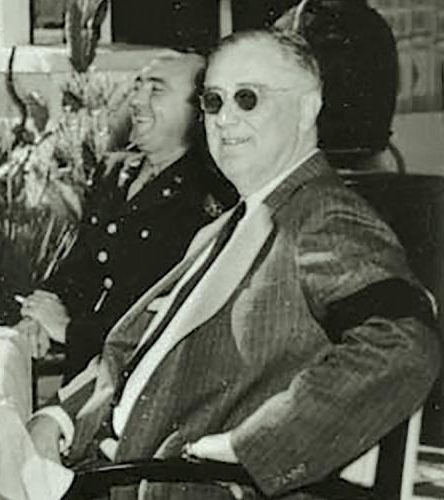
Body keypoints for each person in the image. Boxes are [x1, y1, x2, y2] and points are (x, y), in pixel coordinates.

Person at [25, 30, 439, 499]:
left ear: (307, 109)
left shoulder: (323, 215)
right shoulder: (225, 226)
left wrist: (257, 447)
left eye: (248, 99)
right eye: (213, 101)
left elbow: (405, 341)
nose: (224, 119)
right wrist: (60, 413)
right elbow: (137, 346)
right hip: (106, 466)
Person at [19, 53, 236, 380]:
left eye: (157, 91)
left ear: (198, 110)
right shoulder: (114, 170)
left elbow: (172, 323)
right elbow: (82, 266)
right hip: (86, 374)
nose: (137, 101)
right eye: (138, 87)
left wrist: (70, 332)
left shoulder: (210, 199)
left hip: (140, 383)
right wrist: (39, 314)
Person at [273, 0, 399, 171]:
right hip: (302, 161)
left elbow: (383, 95)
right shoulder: (287, 27)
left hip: (363, 159)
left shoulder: (373, 27)